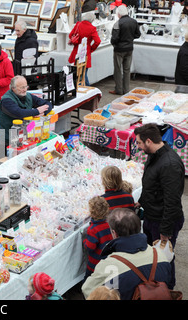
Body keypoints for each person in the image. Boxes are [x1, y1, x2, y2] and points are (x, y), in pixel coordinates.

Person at [134, 123, 184, 289]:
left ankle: (167, 289)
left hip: (162, 221)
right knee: (152, 257)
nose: (138, 147)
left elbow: (172, 201)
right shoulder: (154, 155)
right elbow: (150, 183)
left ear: (149, 141)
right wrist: (141, 200)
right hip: (151, 215)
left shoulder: (170, 165)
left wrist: (165, 231)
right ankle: (153, 285)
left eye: (139, 143)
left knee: (164, 258)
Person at [82, 208, 172, 300]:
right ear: (138, 228)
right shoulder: (159, 254)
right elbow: (170, 283)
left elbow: (88, 291)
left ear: (114, 233)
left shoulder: (110, 265)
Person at [0, 75, 52, 144]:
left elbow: (48, 104)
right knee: (4, 154)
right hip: (7, 138)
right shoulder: (6, 100)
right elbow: (19, 113)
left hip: (25, 136)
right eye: (22, 87)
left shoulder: (28, 96)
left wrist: (43, 112)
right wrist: (37, 111)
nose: (25, 90)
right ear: (13, 88)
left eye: (26, 87)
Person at [109, 5, 140, 95]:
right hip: (129, 48)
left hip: (119, 49)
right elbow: (138, 34)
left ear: (118, 14)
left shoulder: (118, 23)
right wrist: (130, 39)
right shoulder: (134, 22)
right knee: (127, 70)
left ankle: (119, 89)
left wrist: (114, 44)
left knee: (118, 70)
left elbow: (114, 38)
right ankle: (126, 89)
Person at [68, 12, 101, 86]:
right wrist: (91, 48)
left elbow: (70, 35)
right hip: (85, 52)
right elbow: (98, 41)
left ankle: (77, 89)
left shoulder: (78, 24)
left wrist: (76, 41)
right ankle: (88, 89)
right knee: (83, 74)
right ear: (92, 20)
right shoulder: (92, 28)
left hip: (76, 51)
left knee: (76, 73)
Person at [83, 196, 113, 279]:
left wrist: (85, 241)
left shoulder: (93, 229)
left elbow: (90, 247)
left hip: (95, 262)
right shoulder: (110, 223)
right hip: (108, 259)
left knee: (89, 280)